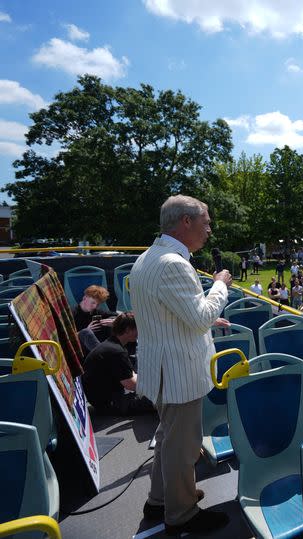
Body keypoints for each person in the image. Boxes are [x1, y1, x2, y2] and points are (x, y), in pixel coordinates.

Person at [130, 194, 232, 534]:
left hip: (161, 369)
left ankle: (160, 500)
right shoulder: (174, 263)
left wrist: (203, 317)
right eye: (205, 222)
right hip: (177, 372)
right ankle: (182, 513)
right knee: (183, 445)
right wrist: (219, 285)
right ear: (185, 222)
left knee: (168, 437)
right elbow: (200, 316)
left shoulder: (148, 258)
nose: (209, 230)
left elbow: (166, 312)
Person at [81, 312, 153, 416]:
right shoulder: (117, 351)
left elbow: (130, 374)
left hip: (100, 399)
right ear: (128, 330)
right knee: (158, 400)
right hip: (110, 403)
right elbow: (131, 384)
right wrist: (155, 387)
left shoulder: (111, 344)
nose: (140, 332)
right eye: (137, 328)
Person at [72, 285, 116, 355]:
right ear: (85, 298)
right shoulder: (72, 314)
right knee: (86, 332)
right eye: (93, 302)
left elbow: (116, 314)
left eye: (98, 304)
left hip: (97, 345)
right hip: (80, 349)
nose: (95, 306)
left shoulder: (96, 312)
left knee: (112, 321)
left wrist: (114, 321)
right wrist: (86, 330)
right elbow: (67, 337)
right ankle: (106, 356)